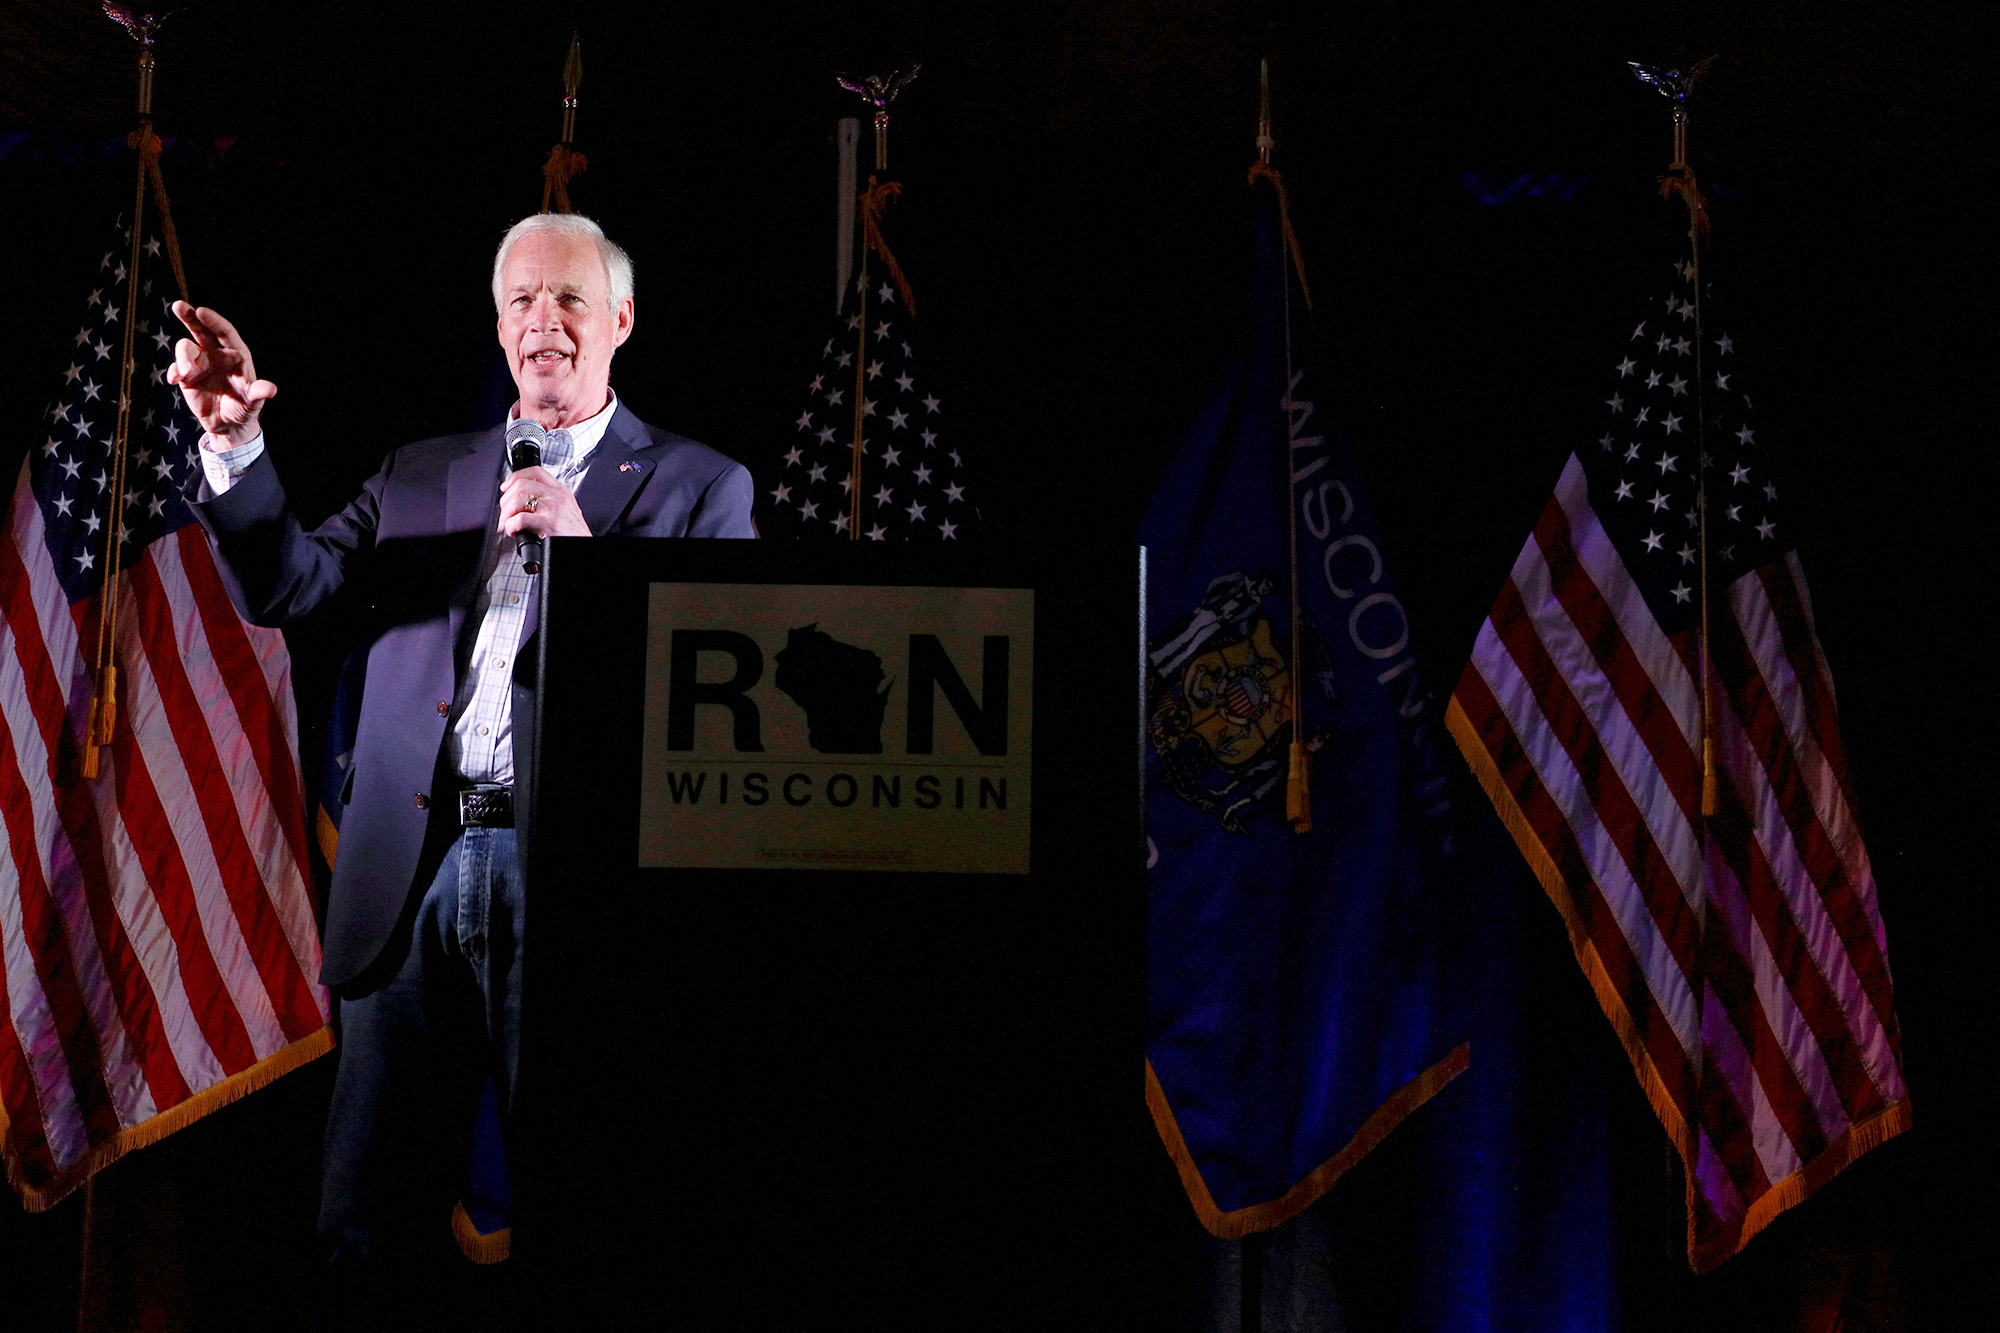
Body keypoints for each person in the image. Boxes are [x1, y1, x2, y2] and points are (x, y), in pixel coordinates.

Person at [170, 212, 755, 1323]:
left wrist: (587, 566)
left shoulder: (699, 488)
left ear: (619, 322)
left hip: (574, 885)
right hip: (409, 877)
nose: (546, 319)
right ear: (498, 329)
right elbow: (293, 591)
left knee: (585, 1218)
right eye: (524, 301)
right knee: (362, 1229)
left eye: (571, 299)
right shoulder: (422, 473)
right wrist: (234, 447)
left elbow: (708, 706)